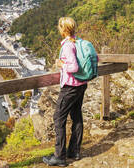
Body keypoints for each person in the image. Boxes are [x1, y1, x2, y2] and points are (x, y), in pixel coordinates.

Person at [43, 17, 87, 167]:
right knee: (76, 116)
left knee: (58, 118)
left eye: (59, 27)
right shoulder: (79, 42)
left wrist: (61, 64)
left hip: (70, 87)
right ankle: (74, 151)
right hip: (81, 84)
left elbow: (73, 67)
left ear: (63, 29)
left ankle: (59, 156)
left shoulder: (68, 46)